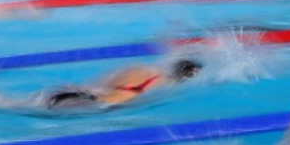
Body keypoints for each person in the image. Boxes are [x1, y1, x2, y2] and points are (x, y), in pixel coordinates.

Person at [44, 59, 202, 110]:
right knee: (99, 103)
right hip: (122, 95)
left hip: (105, 87)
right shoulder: (168, 83)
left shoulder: (144, 68)